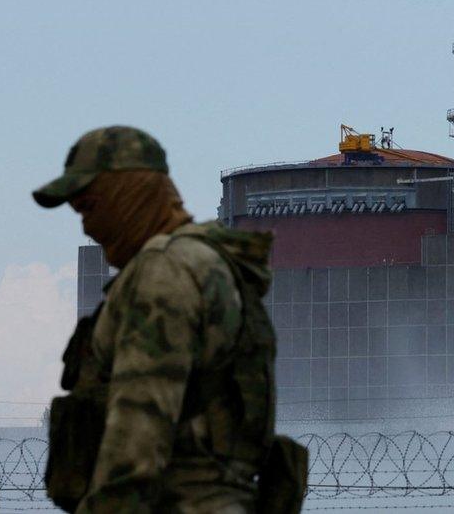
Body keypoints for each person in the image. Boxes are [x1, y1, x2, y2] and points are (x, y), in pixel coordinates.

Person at [33, 126, 305, 513]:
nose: (87, 227)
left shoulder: (164, 272)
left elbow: (136, 444)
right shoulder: (206, 264)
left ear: (129, 193)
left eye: (90, 207)